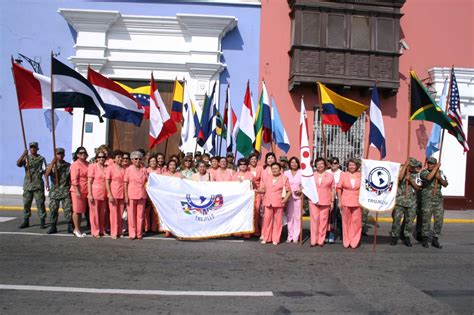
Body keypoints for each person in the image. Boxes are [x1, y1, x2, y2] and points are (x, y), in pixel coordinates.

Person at [390, 158, 421, 247]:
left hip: (411, 202)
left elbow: (418, 188)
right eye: (411, 166)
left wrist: (411, 180)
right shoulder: (401, 173)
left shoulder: (417, 175)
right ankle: (394, 237)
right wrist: (405, 166)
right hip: (400, 200)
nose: (413, 168)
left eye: (413, 167)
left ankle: (406, 237)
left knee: (409, 221)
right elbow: (399, 179)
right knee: (396, 219)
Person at [258, 162, 291, 245]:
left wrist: (285, 199)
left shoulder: (284, 178)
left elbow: (289, 190)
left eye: (276, 168)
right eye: (273, 169)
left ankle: (276, 238)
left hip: (279, 202)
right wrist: (256, 190)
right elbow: (263, 189)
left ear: (280, 169)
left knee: (278, 221)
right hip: (268, 201)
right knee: (266, 220)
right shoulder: (267, 177)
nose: (274, 170)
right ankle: (266, 238)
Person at [16, 142, 48, 229]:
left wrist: (47, 183)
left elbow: (45, 172)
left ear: (37, 148)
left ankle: (42, 221)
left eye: (34, 147)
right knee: (26, 204)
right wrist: (23, 154)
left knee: (40, 203)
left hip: (38, 185)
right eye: (31, 147)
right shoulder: (26, 158)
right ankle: (26, 221)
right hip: (28, 185)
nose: (33, 149)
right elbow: (18, 164)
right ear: (29, 149)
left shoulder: (41, 159)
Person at [420, 157, 448, 249]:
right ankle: (424, 239)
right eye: (429, 163)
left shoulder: (441, 173)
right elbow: (428, 178)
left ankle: (435, 239)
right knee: (426, 220)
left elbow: (445, 184)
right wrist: (436, 169)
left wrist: (439, 178)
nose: (430, 165)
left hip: (438, 200)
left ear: (435, 164)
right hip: (427, 200)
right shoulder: (424, 172)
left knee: (439, 220)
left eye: (432, 164)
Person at [44, 147, 72, 234]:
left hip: (65, 190)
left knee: (68, 209)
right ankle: (53, 226)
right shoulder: (51, 165)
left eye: (61, 154)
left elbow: (71, 177)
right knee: (53, 209)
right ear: (55, 155)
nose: (60, 155)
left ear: (64, 155)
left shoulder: (68, 165)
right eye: (58, 154)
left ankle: (70, 226)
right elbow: (46, 174)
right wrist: (52, 163)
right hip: (54, 191)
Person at [337, 158, 362, 249]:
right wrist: (339, 201)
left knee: (356, 222)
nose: (351, 167)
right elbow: (339, 188)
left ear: (357, 166)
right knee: (346, 222)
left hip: (358, 201)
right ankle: (346, 240)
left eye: (353, 165)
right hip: (345, 200)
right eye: (350, 165)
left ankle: (354, 240)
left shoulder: (361, 175)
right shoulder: (343, 175)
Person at [310, 157, 335, 247]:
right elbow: (308, 187)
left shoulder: (330, 176)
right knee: (314, 221)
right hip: (314, 201)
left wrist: (332, 201)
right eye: (318, 164)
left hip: (326, 201)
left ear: (325, 165)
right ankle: (313, 240)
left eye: (321, 164)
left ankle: (321, 240)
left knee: (323, 221)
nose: (319, 165)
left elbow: (332, 189)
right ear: (315, 165)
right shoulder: (312, 175)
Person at [124, 151, 148, 240]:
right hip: (131, 195)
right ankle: (132, 233)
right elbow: (125, 183)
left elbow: (148, 182)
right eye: (135, 159)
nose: (138, 160)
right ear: (132, 160)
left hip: (142, 194)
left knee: (140, 215)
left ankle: (139, 233)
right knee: (131, 215)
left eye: (139, 159)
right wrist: (126, 196)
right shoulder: (128, 169)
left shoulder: (144, 169)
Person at [87, 151, 108, 238]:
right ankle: (95, 231)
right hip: (95, 192)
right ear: (96, 158)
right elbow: (89, 182)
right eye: (99, 157)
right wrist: (90, 194)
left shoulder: (107, 167)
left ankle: (102, 229)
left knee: (102, 213)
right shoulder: (93, 167)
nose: (101, 159)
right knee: (94, 214)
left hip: (104, 193)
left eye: (103, 157)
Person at [70, 147, 89, 237]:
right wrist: (77, 191)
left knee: (81, 210)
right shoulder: (75, 165)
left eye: (84, 152)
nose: (83, 154)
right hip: (77, 190)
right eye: (81, 153)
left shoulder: (87, 164)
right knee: (76, 210)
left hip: (85, 190)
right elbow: (74, 179)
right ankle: (76, 229)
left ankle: (79, 228)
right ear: (77, 155)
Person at [105, 150, 125, 239]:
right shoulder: (110, 168)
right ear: (114, 159)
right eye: (118, 157)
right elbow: (107, 182)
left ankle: (119, 231)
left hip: (122, 193)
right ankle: (114, 232)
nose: (120, 159)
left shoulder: (124, 169)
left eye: (121, 157)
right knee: (113, 214)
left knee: (120, 214)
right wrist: (110, 194)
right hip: (113, 193)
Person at [284, 157, 302, 243]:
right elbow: (283, 184)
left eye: (295, 162)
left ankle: (296, 236)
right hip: (288, 197)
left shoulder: (301, 173)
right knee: (289, 216)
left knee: (297, 217)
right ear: (289, 164)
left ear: (298, 163)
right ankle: (290, 235)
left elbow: (305, 184)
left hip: (298, 197)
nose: (294, 164)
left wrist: (301, 190)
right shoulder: (286, 173)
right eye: (292, 162)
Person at [326, 157, 342, 243]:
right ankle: (325, 233)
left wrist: (340, 200)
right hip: (325, 198)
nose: (333, 164)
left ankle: (331, 234)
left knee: (333, 217)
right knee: (325, 217)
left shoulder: (341, 174)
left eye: (335, 163)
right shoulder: (326, 172)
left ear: (338, 164)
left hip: (336, 198)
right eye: (331, 162)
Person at [249, 153, 263, 236]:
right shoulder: (247, 168)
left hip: (258, 192)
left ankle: (256, 229)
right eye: (252, 159)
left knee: (257, 211)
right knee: (250, 211)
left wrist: (260, 189)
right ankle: (249, 229)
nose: (253, 160)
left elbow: (262, 180)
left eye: (255, 159)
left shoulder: (260, 168)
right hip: (249, 193)